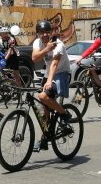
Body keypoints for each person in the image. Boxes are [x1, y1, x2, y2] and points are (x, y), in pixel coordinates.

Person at [30, 20, 71, 152]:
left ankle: (64, 114)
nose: (44, 35)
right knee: (44, 109)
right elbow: (34, 58)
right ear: (38, 34)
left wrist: (49, 81)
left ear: (51, 32)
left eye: (47, 32)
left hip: (61, 73)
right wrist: (46, 49)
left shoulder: (58, 45)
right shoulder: (38, 42)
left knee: (43, 95)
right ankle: (44, 138)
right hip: (48, 74)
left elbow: (54, 64)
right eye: (41, 33)